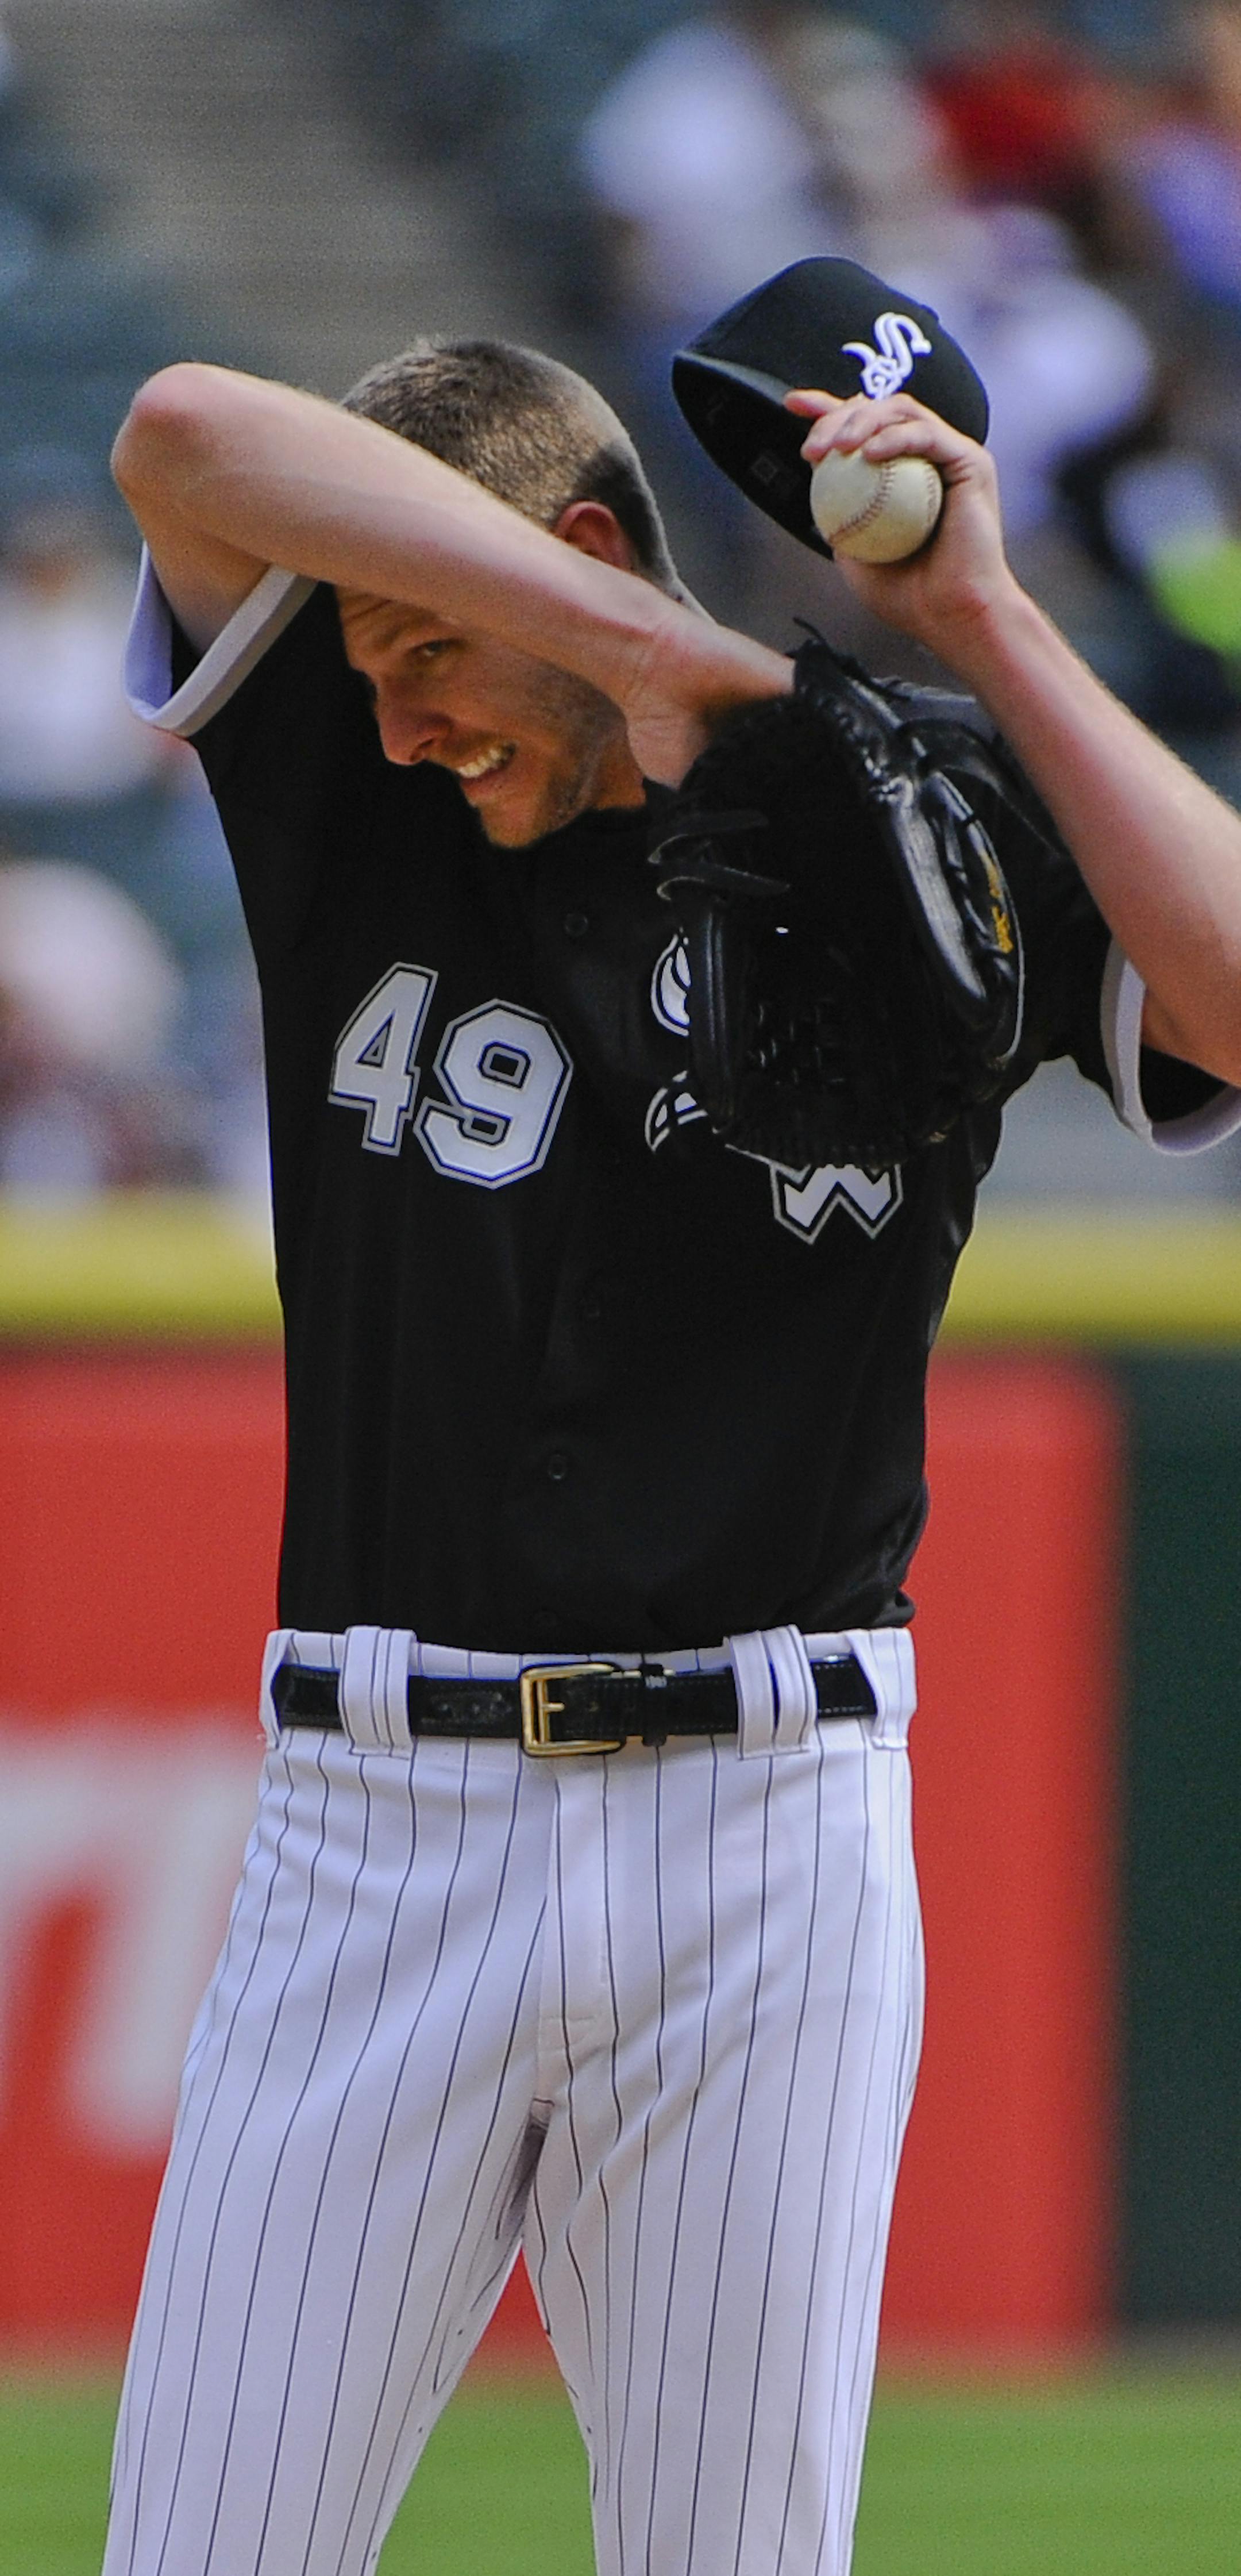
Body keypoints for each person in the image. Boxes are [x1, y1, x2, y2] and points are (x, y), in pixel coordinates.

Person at [105, 319, 1241, 2576]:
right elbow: (182, 432)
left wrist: (983, 627)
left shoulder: (907, 802)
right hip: (380, 1826)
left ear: (586, 542)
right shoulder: (362, 779)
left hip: (774, 1835)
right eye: (382, 646)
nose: (404, 703)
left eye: (437, 641)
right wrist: (653, 661)